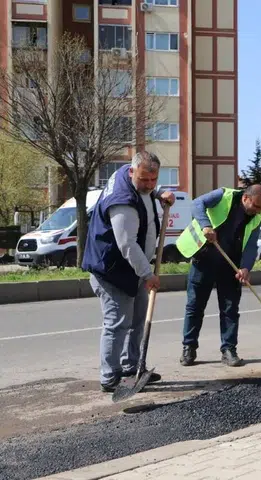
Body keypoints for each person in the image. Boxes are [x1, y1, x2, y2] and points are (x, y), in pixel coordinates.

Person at [82, 152, 176, 393]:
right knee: (117, 323)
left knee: (137, 320)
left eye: (153, 180)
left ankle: (131, 367)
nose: (149, 184)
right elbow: (127, 245)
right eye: (144, 180)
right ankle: (109, 377)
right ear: (132, 173)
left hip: (133, 268)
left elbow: (148, 188)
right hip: (112, 270)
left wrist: (158, 193)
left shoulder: (131, 174)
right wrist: (148, 274)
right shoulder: (123, 201)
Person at [175, 184, 261, 367]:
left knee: (230, 310)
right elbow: (197, 204)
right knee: (195, 307)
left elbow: (251, 246)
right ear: (245, 198)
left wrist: (245, 268)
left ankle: (228, 350)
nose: (258, 211)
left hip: (230, 265)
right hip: (204, 259)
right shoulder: (223, 195)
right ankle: (189, 348)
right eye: (256, 206)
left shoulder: (256, 218)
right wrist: (206, 226)